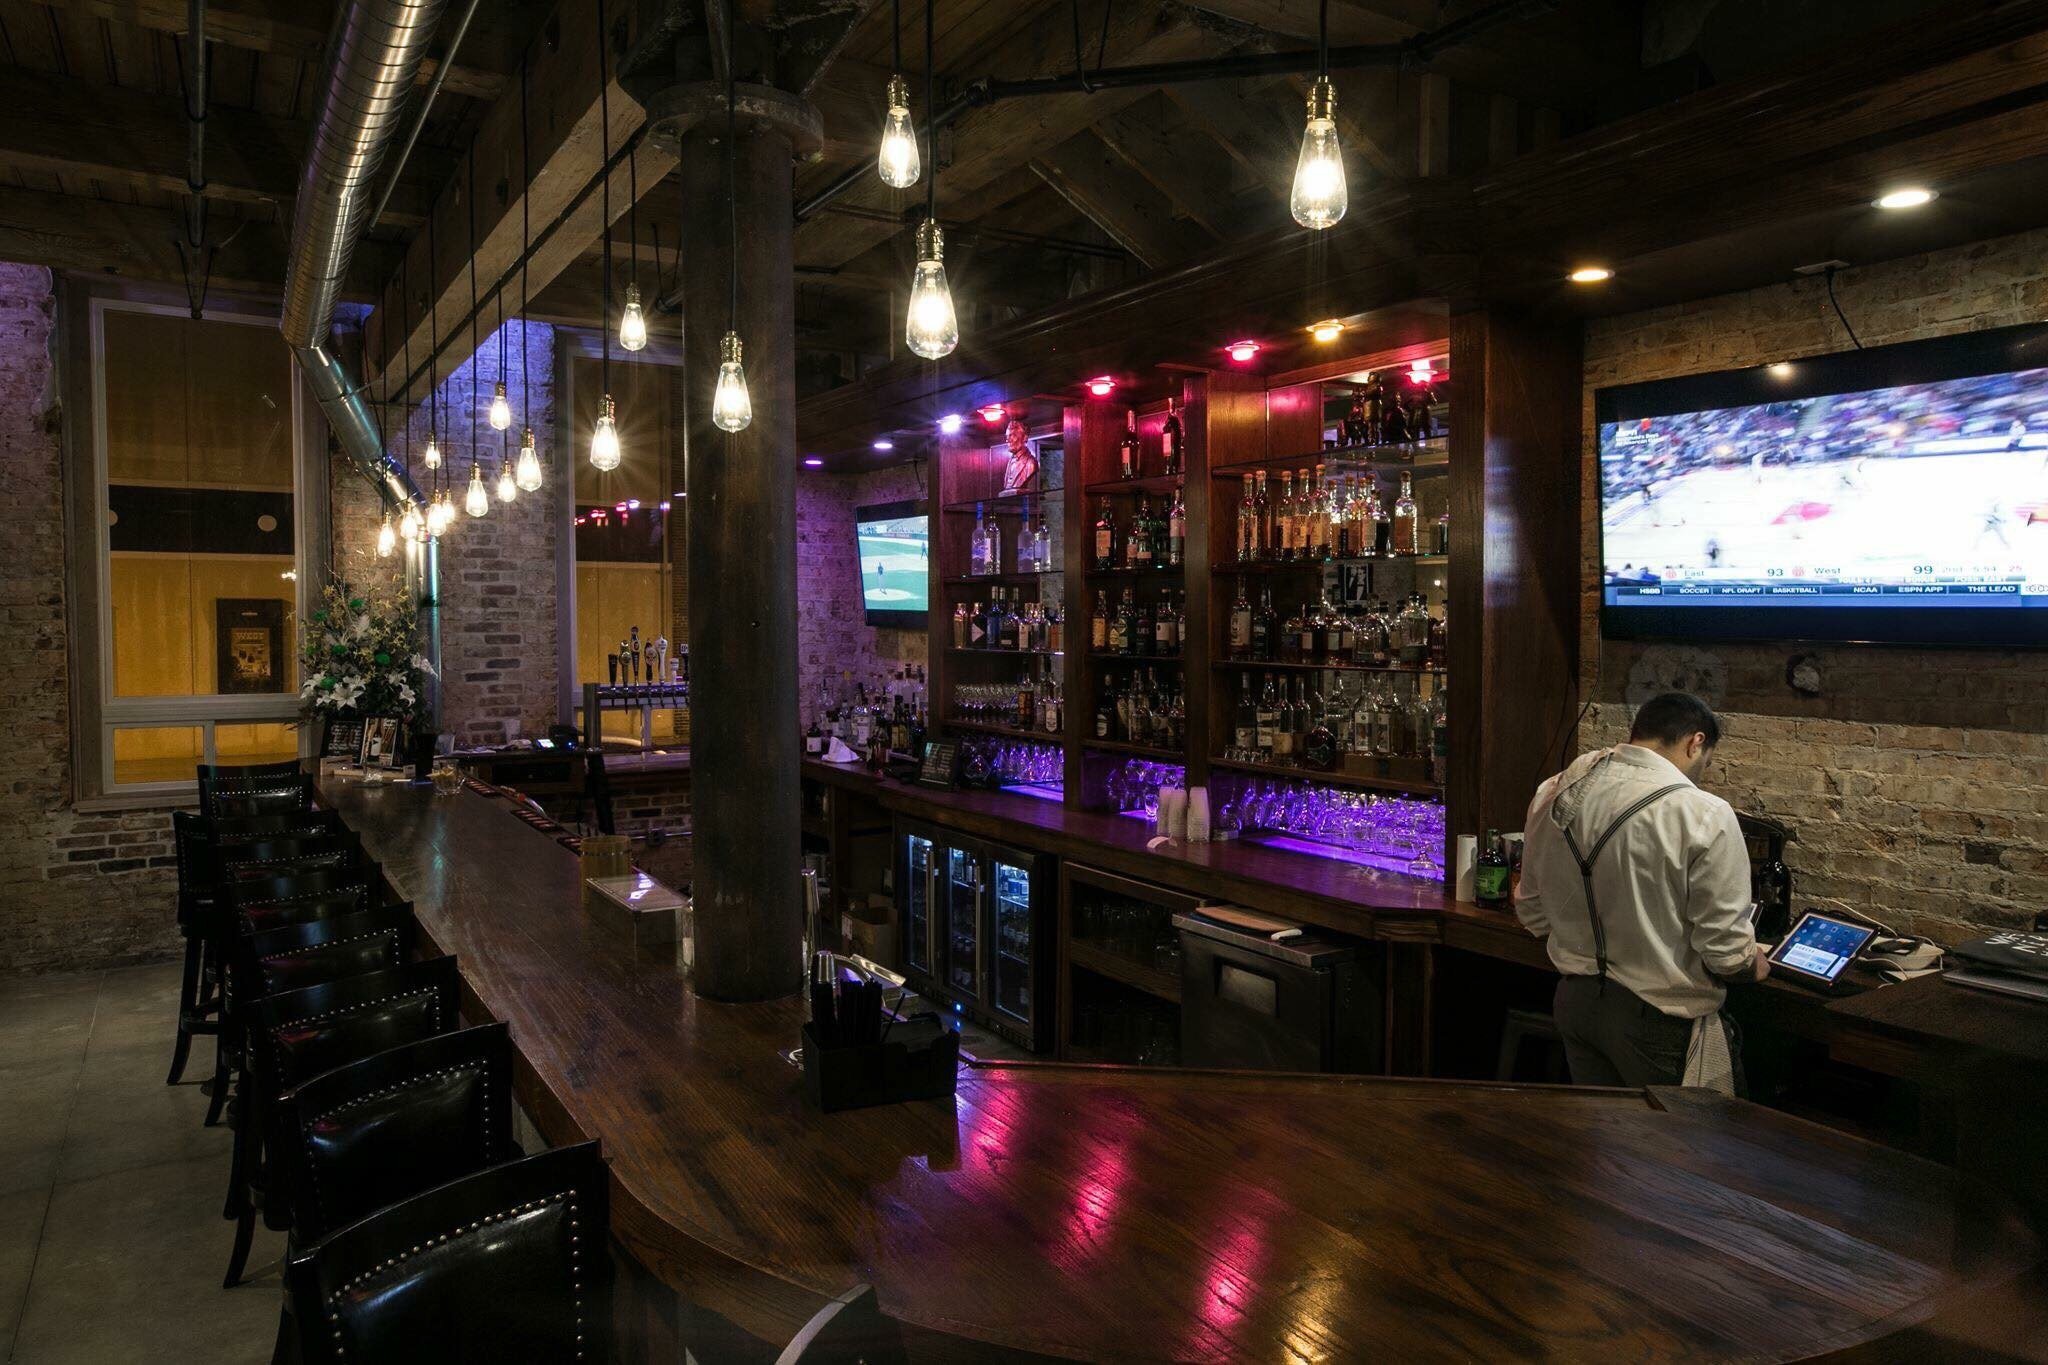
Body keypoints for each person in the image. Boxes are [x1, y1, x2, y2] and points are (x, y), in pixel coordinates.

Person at [1515, 692, 1766, 1093]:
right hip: (1657, 1021)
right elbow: (1725, 952)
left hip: (1576, 1004)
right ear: (1696, 742)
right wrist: (1752, 963)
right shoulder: (1702, 813)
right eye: (1706, 762)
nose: (1701, 773)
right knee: (1693, 1134)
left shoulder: (1554, 792)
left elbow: (1532, 912)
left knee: (1601, 1133)